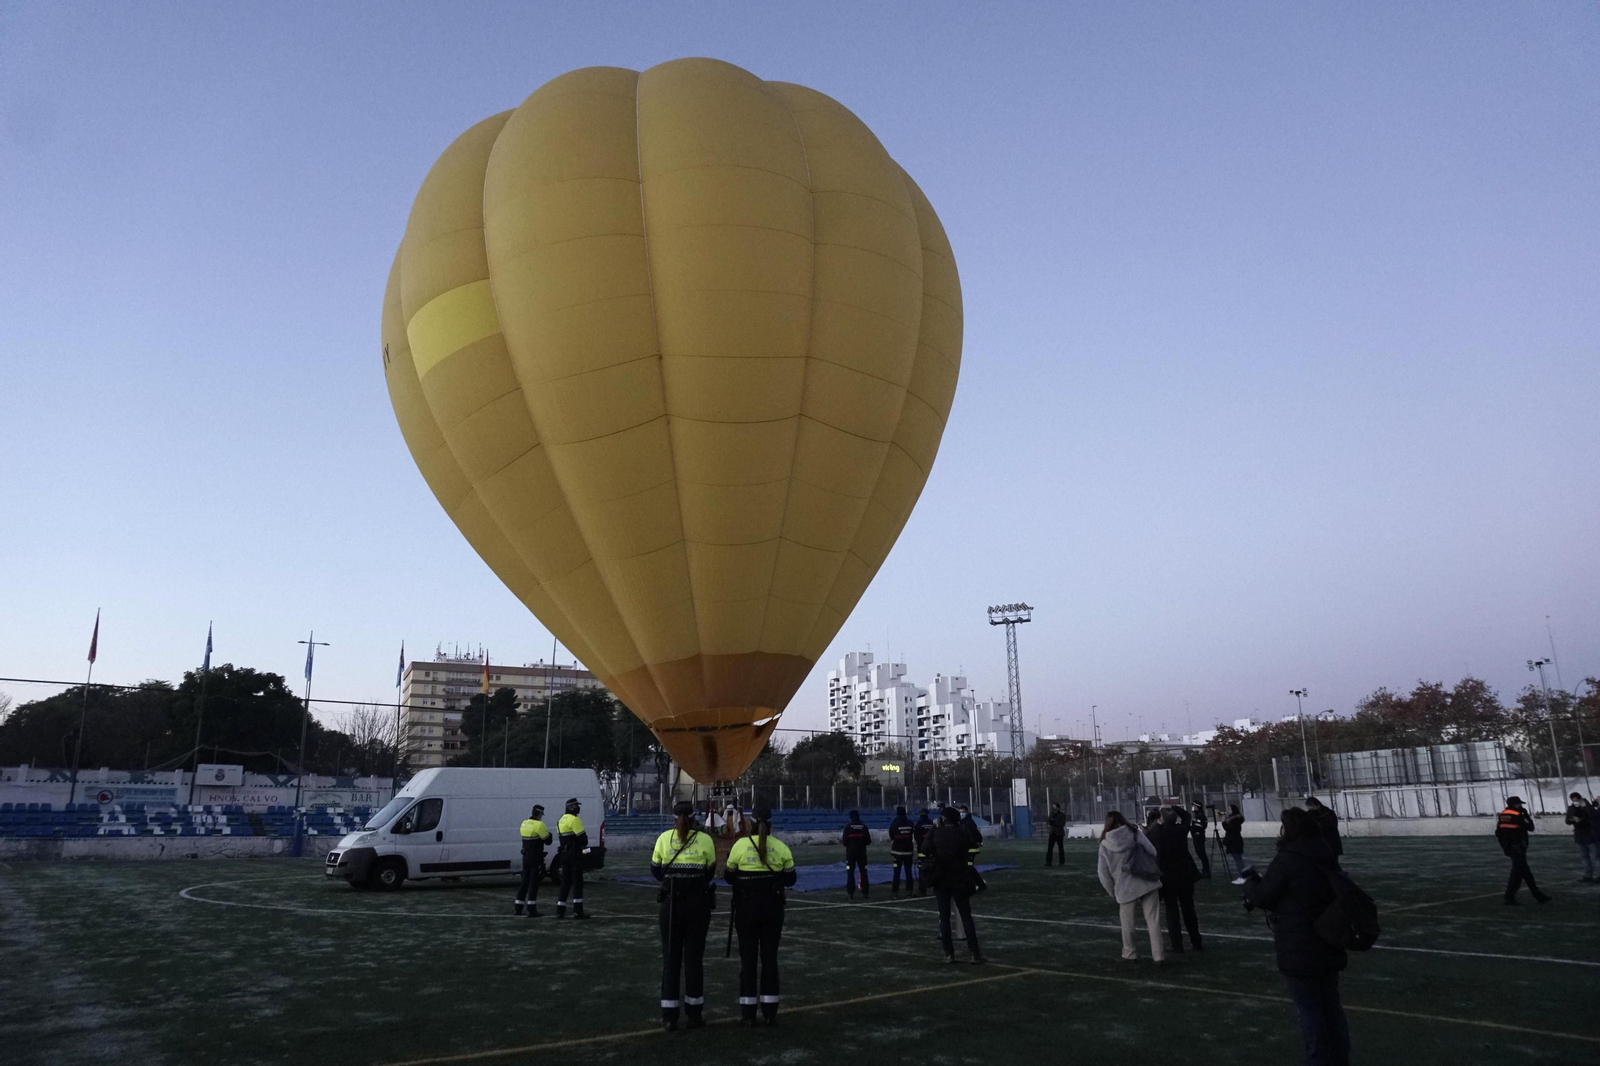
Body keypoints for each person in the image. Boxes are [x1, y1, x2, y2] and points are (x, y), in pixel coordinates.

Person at [1242, 807, 1349, 1066]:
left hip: (1299, 945)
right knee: (1331, 1008)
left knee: (1310, 1011)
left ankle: (1318, 1061)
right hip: (1328, 939)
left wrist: (1249, 882)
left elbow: (1264, 896)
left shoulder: (1288, 858)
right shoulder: (1326, 854)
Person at [724, 806, 797, 1025]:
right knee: (769, 959)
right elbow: (791, 879)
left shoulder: (739, 846)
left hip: (746, 909)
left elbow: (728, 876)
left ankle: (747, 1013)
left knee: (748, 961)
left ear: (750, 824)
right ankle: (769, 1012)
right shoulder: (782, 847)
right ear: (771, 825)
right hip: (773, 909)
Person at [651, 801, 718, 1031]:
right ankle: (694, 1015)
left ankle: (669, 1016)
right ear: (694, 818)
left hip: (671, 905)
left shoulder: (663, 839)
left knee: (670, 960)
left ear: (674, 818)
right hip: (697, 906)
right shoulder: (705, 840)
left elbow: (656, 871)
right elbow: (710, 871)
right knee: (694, 960)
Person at [917, 806, 986, 963]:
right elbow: (973, 846)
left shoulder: (937, 831)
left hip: (941, 878)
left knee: (945, 917)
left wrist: (934, 829)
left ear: (943, 818)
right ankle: (974, 953)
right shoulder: (962, 830)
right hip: (960, 878)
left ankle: (949, 954)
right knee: (966, 916)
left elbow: (924, 849)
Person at [1096, 810, 1164, 962]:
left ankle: (1130, 953)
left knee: (1127, 924)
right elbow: (1152, 851)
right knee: (1153, 920)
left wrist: (1112, 891)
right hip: (1147, 880)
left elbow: (1103, 873)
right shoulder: (1134, 832)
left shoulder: (1104, 843)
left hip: (1124, 886)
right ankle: (1158, 955)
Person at [1152, 806, 1203, 951]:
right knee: (1189, 910)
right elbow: (1187, 816)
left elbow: (1150, 830)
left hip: (1167, 878)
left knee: (1172, 912)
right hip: (1185, 875)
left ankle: (1177, 944)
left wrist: (1159, 817)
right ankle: (1196, 941)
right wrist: (1172, 807)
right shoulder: (1181, 830)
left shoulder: (1159, 832)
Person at [1496, 796, 1550, 904]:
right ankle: (1509, 897)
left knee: (1526, 873)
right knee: (1517, 873)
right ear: (1515, 804)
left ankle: (1538, 895)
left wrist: (1505, 847)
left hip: (1509, 847)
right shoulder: (1518, 815)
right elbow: (1530, 827)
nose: (1520, 806)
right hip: (1518, 847)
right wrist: (1525, 815)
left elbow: (1498, 832)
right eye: (1519, 804)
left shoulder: (1502, 814)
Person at [514, 803, 551, 917]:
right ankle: (531, 909)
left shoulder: (524, 823)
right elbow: (548, 840)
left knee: (524, 882)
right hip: (536, 857)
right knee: (534, 883)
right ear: (540, 814)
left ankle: (518, 907)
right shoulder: (540, 825)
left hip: (526, 856)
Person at [556, 797, 590, 918]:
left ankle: (560, 910)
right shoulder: (574, 820)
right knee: (577, 883)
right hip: (575, 855)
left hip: (564, 855)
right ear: (570, 807)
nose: (578, 808)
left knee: (565, 882)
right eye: (576, 806)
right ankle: (578, 911)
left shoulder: (560, 820)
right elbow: (583, 839)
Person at [1564, 792, 1599, 882]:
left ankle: (1599, 874)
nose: (1575, 802)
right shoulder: (1571, 808)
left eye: (1576, 800)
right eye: (1573, 800)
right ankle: (1587, 875)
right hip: (1580, 836)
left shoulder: (1586, 806)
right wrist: (1572, 819)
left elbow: (1593, 815)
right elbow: (1567, 820)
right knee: (1584, 856)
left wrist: (1582, 815)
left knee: (1595, 856)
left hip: (1590, 835)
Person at [841, 809, 871, 898]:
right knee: (863, 872)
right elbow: (868, 841)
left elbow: (844, 842)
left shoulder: (848, 827)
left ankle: (851, 892)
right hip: (862, 853)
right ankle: (865, 892)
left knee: (850, 872)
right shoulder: (863, 826)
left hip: (850, 854)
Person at [958, 804, 988, 891]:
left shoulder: (969, 823)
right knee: (968, 868)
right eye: (960, 812)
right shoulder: (963, 822)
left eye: (963, 812)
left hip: (971, 848)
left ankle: (977, 885)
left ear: (966, 812)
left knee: (968, 868)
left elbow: (976, 834)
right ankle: (978, 884)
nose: (961, 814)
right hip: (967, 848)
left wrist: (977, 842)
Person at [887, 805, 916, 894]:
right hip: (908, 851)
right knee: (908, 872)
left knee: (897, 872)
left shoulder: (894, 823)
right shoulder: (910, 823)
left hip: (897, 852)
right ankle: (909, 890)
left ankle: (895, 890)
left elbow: (891, 835)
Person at [1223, 804, 1253, 883]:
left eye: (1230, 809)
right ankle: (1243, 876)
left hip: (1234, 842)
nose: (1228, 810)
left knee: (1238, 861)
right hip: (1236, 841)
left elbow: (1228, 829)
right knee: (1238, 860)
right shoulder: (1236, 819)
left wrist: (1224, 822)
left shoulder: (1234, 820)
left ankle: (1243, 877)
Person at [912, 808, 935, 895]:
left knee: (922, 870)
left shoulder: (919, 824)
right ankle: (935, 888)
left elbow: (917, 838)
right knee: (933, 869)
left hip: (922, 851)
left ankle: (922, 889)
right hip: (932, 851)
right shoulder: (932, 823)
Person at [1189, 801, 1211, 878]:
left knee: (1201, 853)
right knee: (1200, 854)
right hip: (1196, 837)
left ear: (1197, 807)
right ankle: (1205, 870)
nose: (1193, 808)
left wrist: (1189, 828)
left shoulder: (1200, 816)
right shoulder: (1197, 816)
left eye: (1194, 806)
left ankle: (1206, 871)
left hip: (1199, 836)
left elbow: (1198, 827)